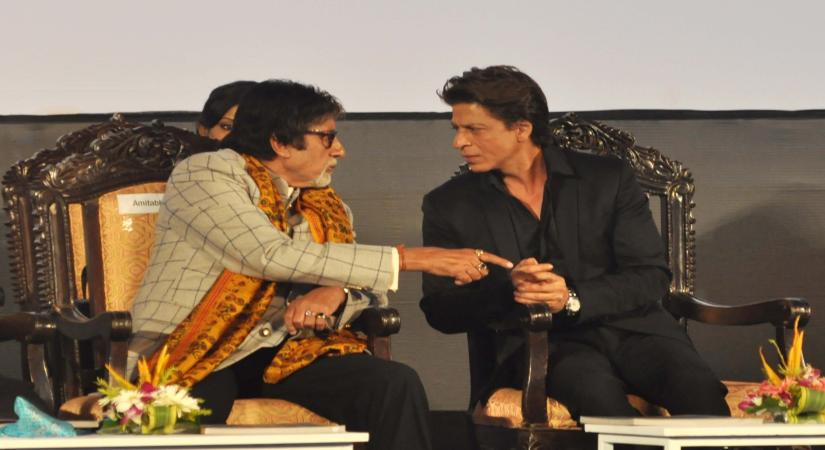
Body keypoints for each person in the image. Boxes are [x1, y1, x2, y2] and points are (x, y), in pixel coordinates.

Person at [128, 79, 511, 450]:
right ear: (280, 142)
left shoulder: (325, 205)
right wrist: (410, 258)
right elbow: (267, 254)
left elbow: (367, 288)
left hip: (283, 348)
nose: (340, 149)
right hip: (196, 347)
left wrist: (337, 293)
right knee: (179, 413)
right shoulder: (207, 174)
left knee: (392, 384)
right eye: (327, 137)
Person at [419, 66, 729, 421]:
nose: (459, 142)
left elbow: (650, 275)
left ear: (521, 128)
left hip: (634, 330)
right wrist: (511, 290)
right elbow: (440, 311)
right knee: (603, 405)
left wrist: (570, 298)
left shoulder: (606, 178)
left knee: (700, 395)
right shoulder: (449, 204)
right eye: (457, 129)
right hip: (541, 346)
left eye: (473, 129)